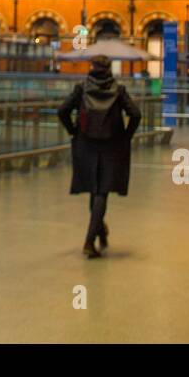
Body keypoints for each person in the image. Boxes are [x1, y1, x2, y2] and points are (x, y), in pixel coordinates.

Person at [56, 54, 142, 258]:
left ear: (92, 67)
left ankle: (99, 231)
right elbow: (136, 114)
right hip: (112, 145)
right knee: (102, 191)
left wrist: (73, 131)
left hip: (86, 144)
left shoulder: (81, 88)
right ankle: (90, 239)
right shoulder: (118, 90)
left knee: (94, 189)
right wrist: (126, 136)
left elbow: (62, 111)